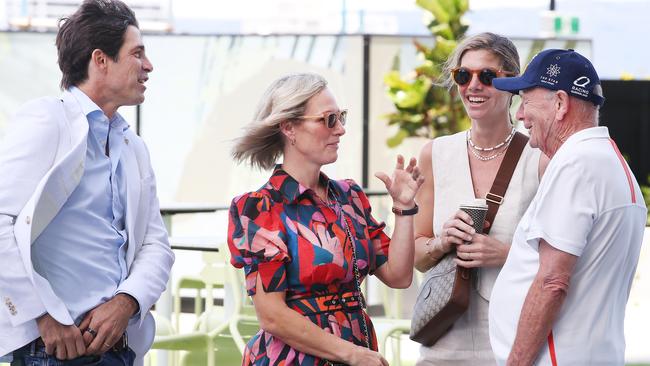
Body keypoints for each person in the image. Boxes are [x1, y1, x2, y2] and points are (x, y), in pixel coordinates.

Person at [0, 0, 174, 365]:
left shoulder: (134, 146)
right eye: (137, 53)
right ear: (100, 60)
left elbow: (156, 244)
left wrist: (127, 302)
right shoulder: (48, 120)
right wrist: (43, 317)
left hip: (119, 350)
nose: (149, 66)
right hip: (52, 352)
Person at [227, 72, 424, 366]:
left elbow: (398, 275)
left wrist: (404, 208)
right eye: (329, 119)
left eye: (341, 117)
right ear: (289, 127)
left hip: (357, 353)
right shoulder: (259, 208)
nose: (341, 129)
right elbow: (272, 316)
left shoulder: (350, 197)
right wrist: (352, 353)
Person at [488, 49, 647, 365]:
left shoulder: (577, 164)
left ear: (560, 103)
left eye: (525, 100)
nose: (519, 114)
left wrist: (516, 362)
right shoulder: (610, 163)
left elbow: (552, 282)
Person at [412, 32, 548, 365]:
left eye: (486, 76)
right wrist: (443, 241)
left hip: (510, 335)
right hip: (443, 333)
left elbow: (561, 259)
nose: (473, 85)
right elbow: (417, 254)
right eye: (463, 75)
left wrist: (506, 254)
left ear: (511, 84)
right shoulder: (435, 154)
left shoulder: (540, 157)